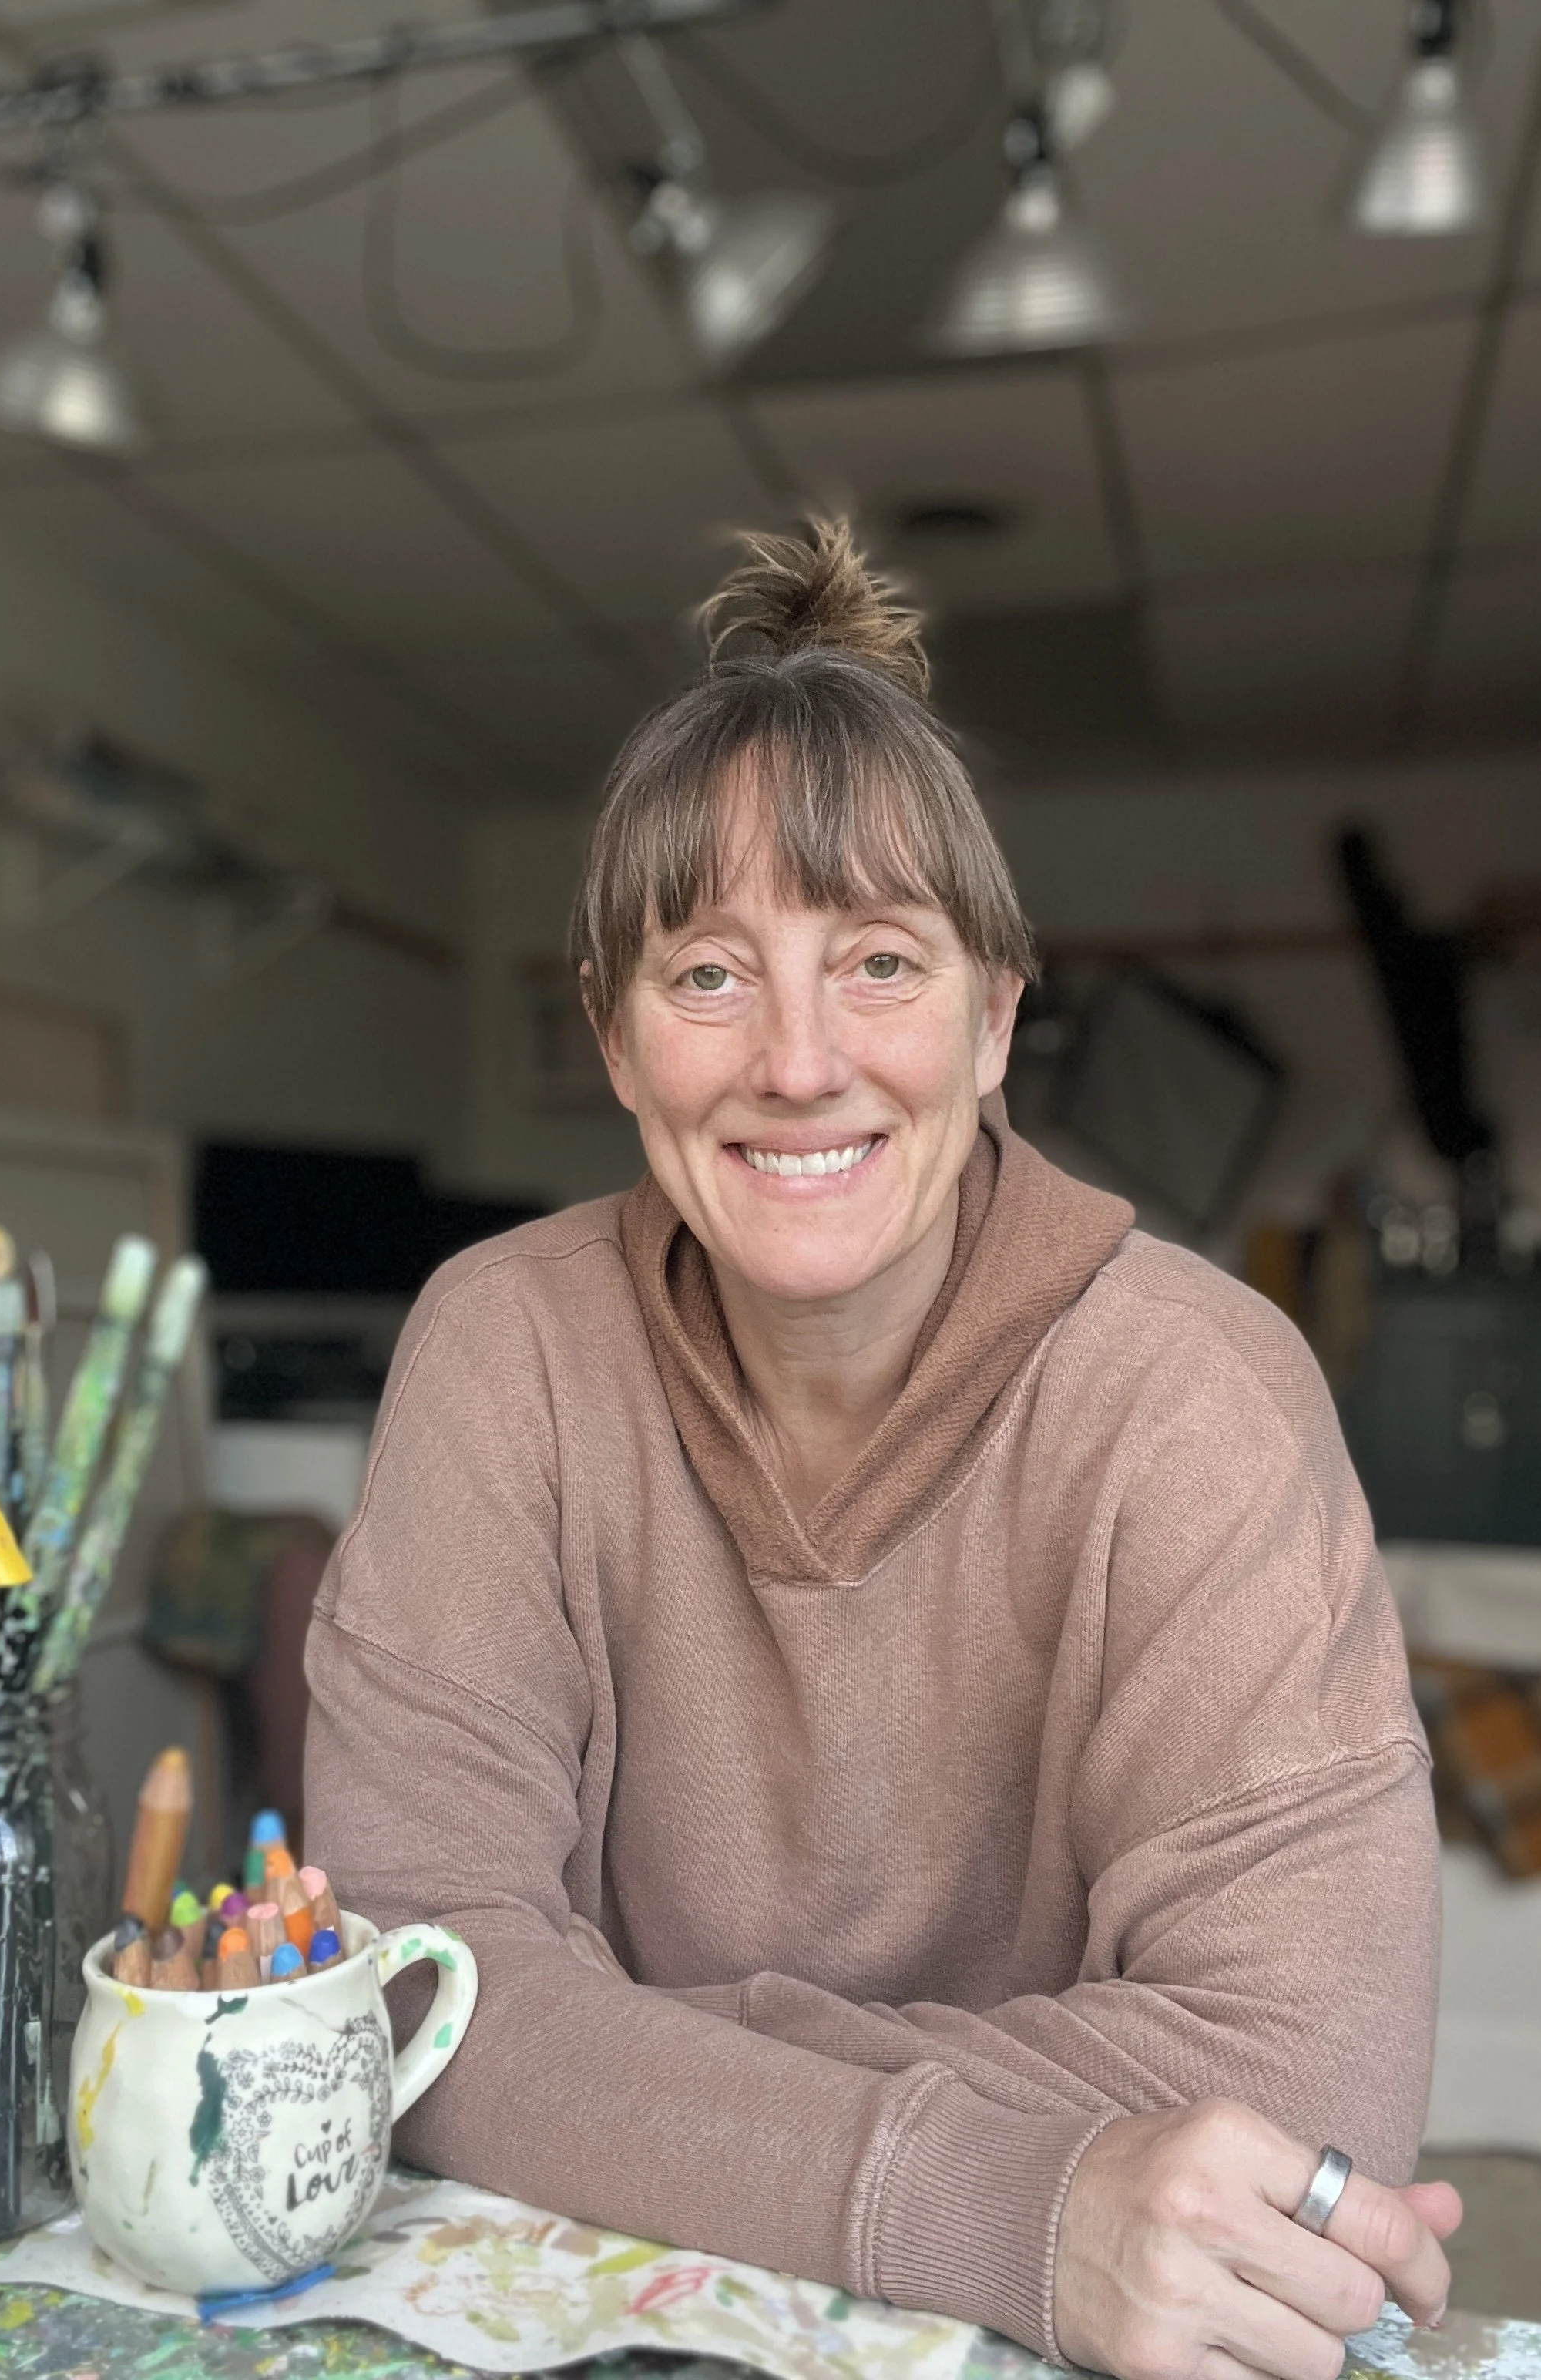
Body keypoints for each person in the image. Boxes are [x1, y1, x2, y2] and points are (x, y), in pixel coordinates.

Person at [305, 521, 1459, 2380]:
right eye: (706, 976)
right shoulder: (503, 1348)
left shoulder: (1203, 1394)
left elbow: (1296, 2091)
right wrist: (1010, 2194)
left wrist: (608, 2054)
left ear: (997, 1018)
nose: (799, 1060)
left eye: (881, 963)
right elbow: (414, 1992)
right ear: (614, 1036)